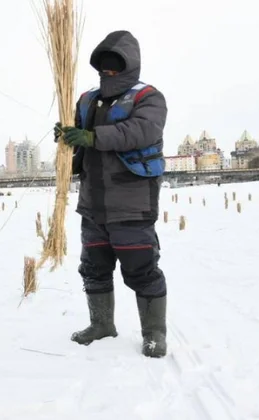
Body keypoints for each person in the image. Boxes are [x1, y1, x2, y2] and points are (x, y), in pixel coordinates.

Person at [55, 30, 168, 358]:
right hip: (93, 204)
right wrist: (67, 138)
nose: (107, 72)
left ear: (129, 65)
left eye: (114, 66)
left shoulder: (149, 97)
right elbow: (79, 138)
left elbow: (140, 131)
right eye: (103, 66)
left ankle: (154, 334)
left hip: (131, 204)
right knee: (93, 266)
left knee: (141, 268)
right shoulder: (87, 99)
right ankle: (102, 324)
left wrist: (91, 138)